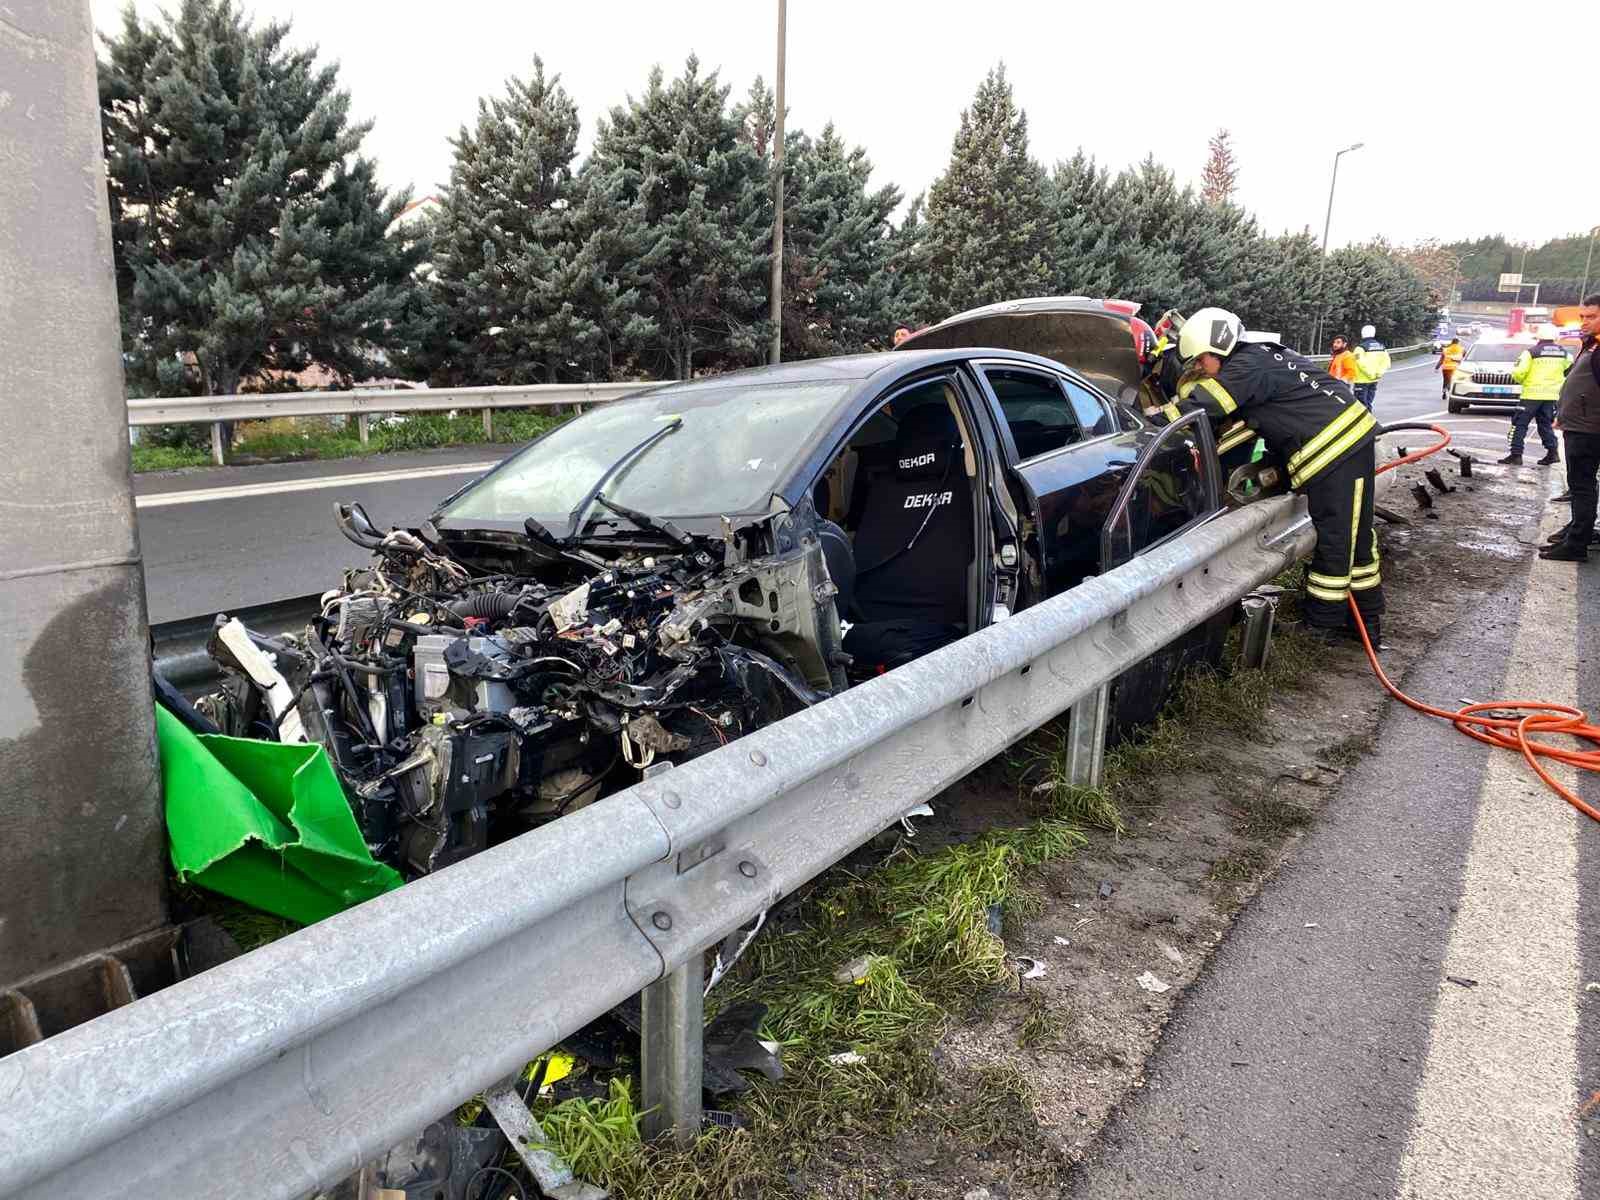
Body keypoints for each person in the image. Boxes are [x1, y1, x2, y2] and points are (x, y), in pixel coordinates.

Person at [1173, 307, 1383, 640]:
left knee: (1338, 537)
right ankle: (1364, 624)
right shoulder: (1262, 357)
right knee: (1354, 537)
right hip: (1348, 445)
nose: (1201, 368)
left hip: (1338, 451)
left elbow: (1203, 406)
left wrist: (1154, 420)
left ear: (1217, 348)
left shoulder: (1245, 366)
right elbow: (1258, 422)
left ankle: (1322, 625)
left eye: (1200, 360)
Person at [1540, 296, 1600, 561]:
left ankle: (1577, 543)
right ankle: (1579, 531)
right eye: (1583, 316)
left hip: (1589, 430)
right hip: (1579, 425)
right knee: (1582, 485)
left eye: (1592, 317)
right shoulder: (1591, 345)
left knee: (1581, 485)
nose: (1585, 322)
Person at [1499, 324, 1568, 465]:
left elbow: (1519, 373)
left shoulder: (1531, 352)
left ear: (1538, 336)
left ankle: (1516, 455)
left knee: (1520, 424)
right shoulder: (1565, 354)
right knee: (1545, 424)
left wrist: (1523, 381)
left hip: (1531, 395)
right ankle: (1552, 453)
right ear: (1555, 337)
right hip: (1551, 396)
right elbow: (1568, 371)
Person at [1350, 324, 1391, 408]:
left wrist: (1370, 374)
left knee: (1360, 406)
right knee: (1369, 403)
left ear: (1362, 333)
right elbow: (1387, 363)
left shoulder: (1360, 348)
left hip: (1361, 381)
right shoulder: (1381, 347)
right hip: (1374, 380)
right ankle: (1369, 419)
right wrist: (1379, 373)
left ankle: (1365, 420)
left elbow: (1359, 362)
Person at [1436, 335, 1465, 401]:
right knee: (1453, 380)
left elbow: (1441, 360)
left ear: (1452, 342)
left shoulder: (1445, 349)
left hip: (1445, 368)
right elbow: (1466, 358)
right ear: (1458, 342)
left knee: (1446, 380)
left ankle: (1444, 391)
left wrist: (1437, 367)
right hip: (1456, 368)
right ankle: (1451, 391)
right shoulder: (1462, 349)